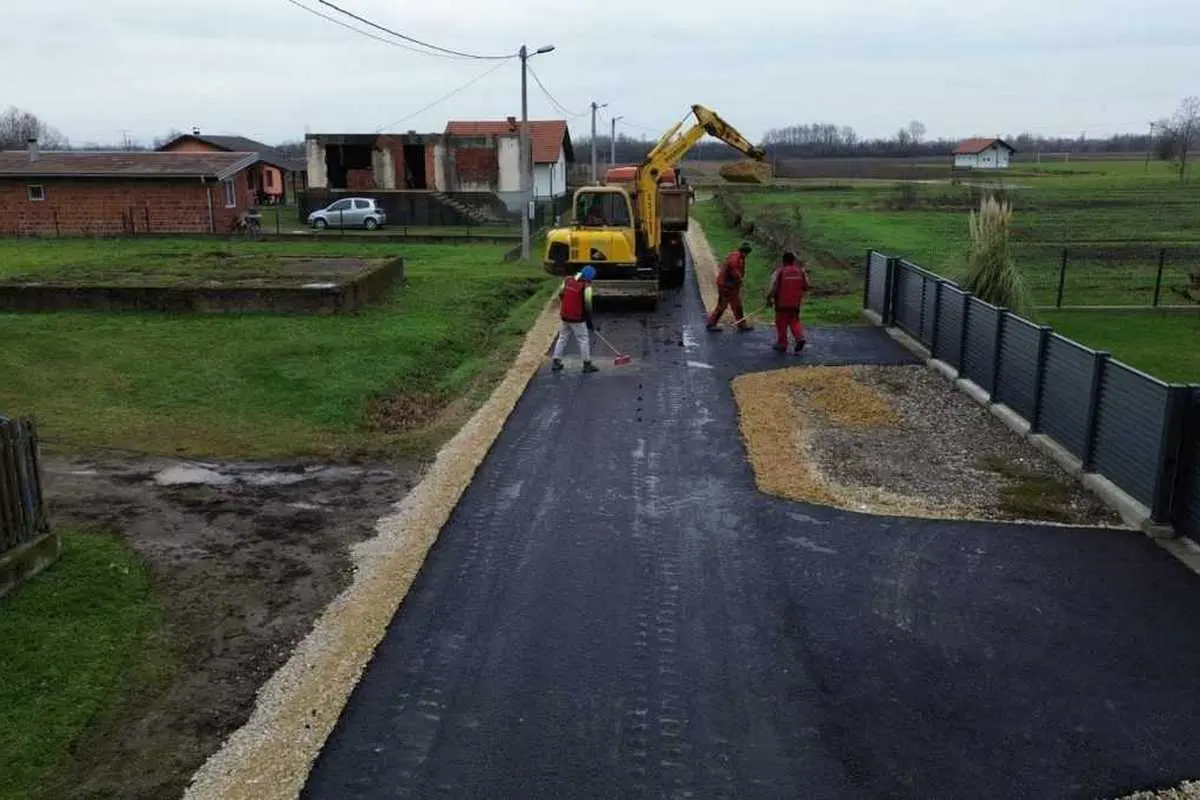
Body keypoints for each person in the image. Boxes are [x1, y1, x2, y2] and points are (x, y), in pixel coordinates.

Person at [551, 265, 599, 374]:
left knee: (562, 337)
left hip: (564, 315)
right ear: (590, 277)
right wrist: (589, 321)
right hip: (577, 318)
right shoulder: (586, 287)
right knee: (583, 339)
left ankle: (556, 362)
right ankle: (587, 365)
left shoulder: (567, 280)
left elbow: (561, 294)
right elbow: (588, 306)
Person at [765, 251, 812, 353]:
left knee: (781, 323)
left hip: (781, 303)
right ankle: (800, 338)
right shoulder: (800, 272)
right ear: (793, 261)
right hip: (795, 303)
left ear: (783, 261)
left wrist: (768, 298)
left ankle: (782, 344)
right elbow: (807, 286)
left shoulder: (779, 272)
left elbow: (774, 288)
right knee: (794, 321)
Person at [706, 241, 754, 332]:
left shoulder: (738, 256)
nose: (747, 256)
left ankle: (742, 324)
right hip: (726, 285)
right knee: (722, 305)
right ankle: (711, 323)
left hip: (732, 286)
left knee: (738, 305)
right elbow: (734, 270)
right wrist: (739, 279)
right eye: (747, 254)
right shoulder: (736, 258)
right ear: (745, 252)